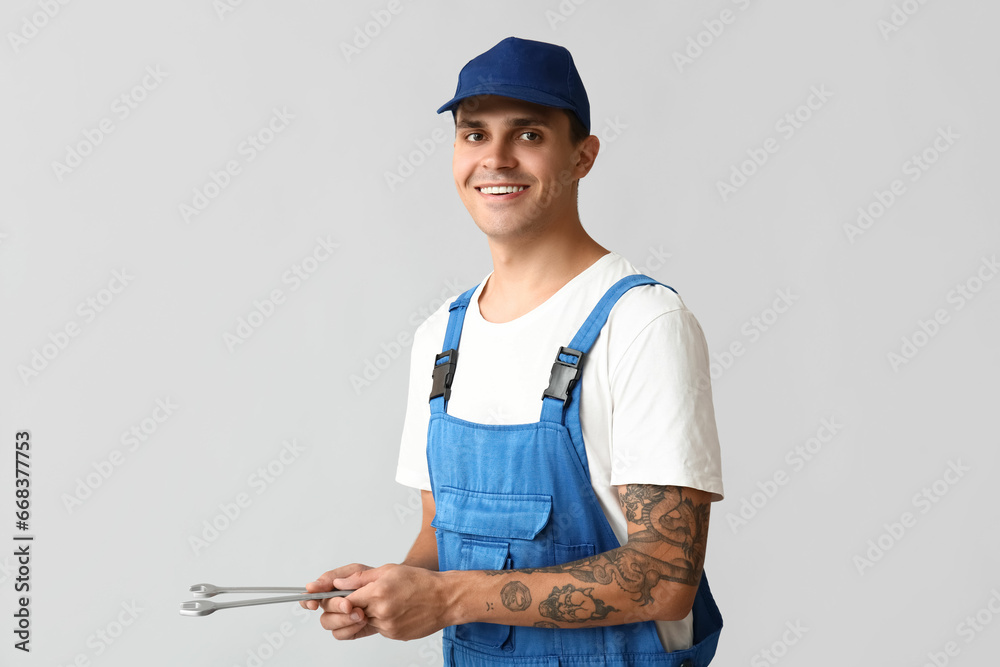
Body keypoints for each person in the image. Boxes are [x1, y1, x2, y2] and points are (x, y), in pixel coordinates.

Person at [303, 36, 725, 666]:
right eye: (474, 135)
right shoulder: (441, 340)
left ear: (583, 156)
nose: (495, 158)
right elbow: (438, 533)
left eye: (527, 135)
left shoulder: (640, 324)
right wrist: (390, 589)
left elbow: (664, 578)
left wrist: (448, 600)